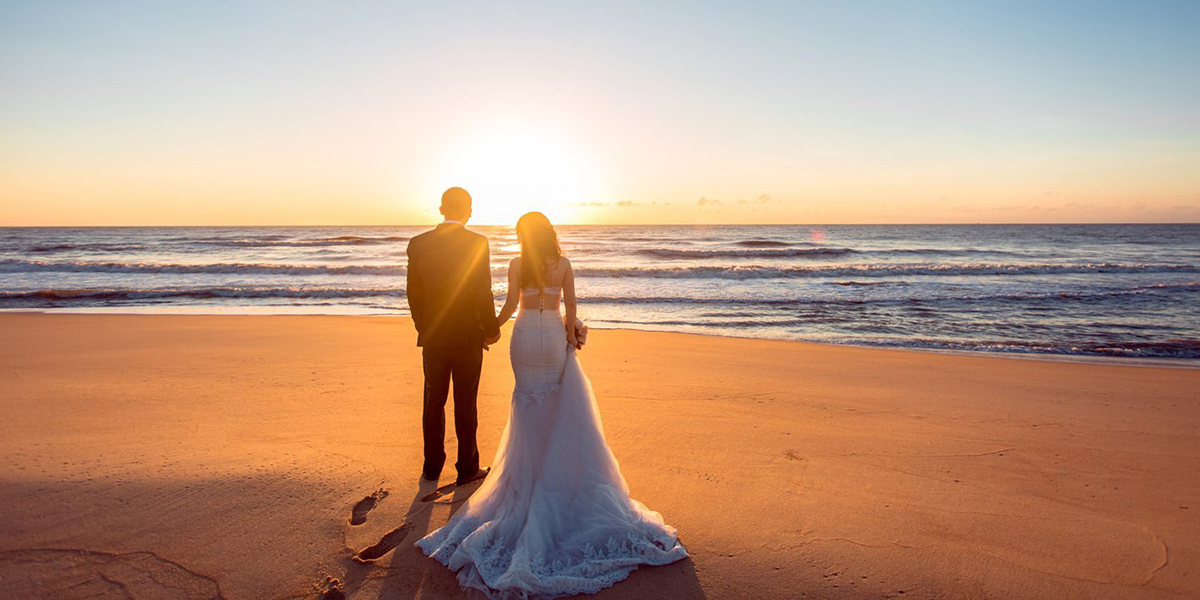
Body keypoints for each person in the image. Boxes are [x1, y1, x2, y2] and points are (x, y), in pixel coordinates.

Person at [416, 211, 687, 599]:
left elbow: (510, 305)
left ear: (524, 236)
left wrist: (490, 328)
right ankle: (555, 478)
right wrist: (572, 337)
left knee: (527, 407)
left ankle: (529, 479)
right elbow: (571, 309)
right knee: (555, 407)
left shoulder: (517, 264)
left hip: (525, 338)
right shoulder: (563, 264)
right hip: (551, 340)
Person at [405, 187, 500, 486]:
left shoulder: (418, 244)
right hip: (468, 336)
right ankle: (467, 467)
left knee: (433, 400)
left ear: (441, 208)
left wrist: (424, 327)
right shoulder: (476, 243)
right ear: (467, 209)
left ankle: (432, 467)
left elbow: (413, 294)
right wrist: (491, 329)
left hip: (433, 335)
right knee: (465, 402)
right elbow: (482, 291)